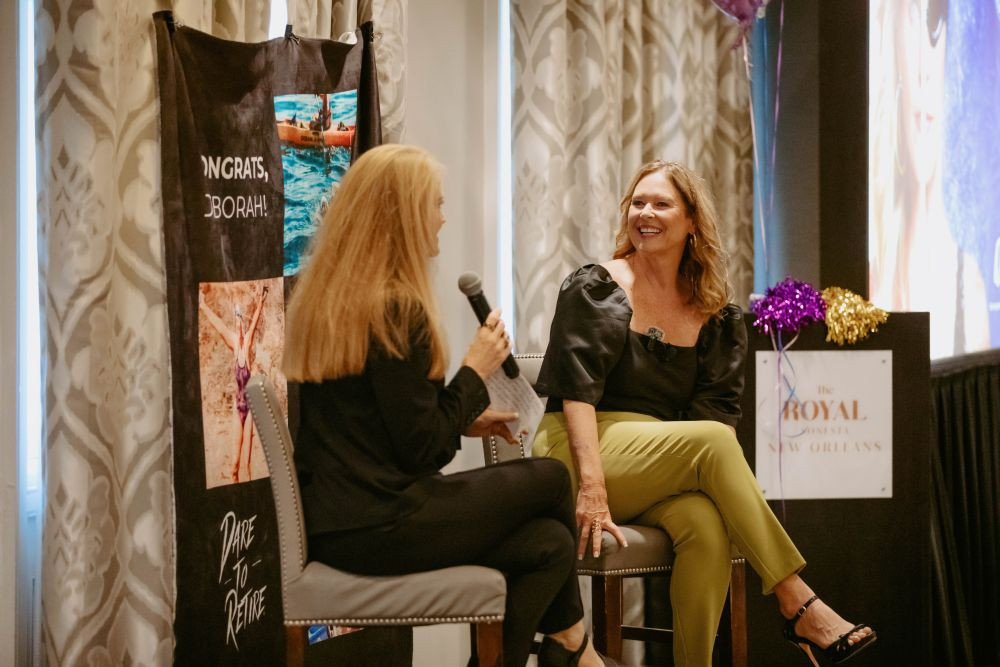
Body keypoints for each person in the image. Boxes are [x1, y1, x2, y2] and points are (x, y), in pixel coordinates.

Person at [532, 160, 877, 667]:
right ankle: (795, 599)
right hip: (576, 447)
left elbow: (712, 412)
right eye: (637, 202)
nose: (644, 212)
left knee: (706, 527)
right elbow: (575, 392)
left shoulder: (713, 312)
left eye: (661, 203)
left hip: (656, 461)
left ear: (692, 221)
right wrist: (592, 487)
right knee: (713, 443)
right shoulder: (599, 285)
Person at [282, 144, 615, 667]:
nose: (442, 217)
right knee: (551, 479)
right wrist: (475, 370)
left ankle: (567, 650)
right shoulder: (396, 306)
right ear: (405, 215)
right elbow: (423, 451)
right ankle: (578, 650)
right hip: (381, 523)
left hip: (339, 524)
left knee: (549, 545)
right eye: (435, 204)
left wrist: (465, 416)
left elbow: (375, 422)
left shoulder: (336, 297)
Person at [200, 283, 269, 483]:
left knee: (247, 467)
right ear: (234, 321)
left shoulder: (246, 344)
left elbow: (254, 322)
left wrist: (261, 302)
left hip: (251, 410)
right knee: (234, 467)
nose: (239, 321)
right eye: (236, 317)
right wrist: (203, 306)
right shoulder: (232, 342)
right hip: (237, 410)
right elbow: (218, 325)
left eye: (241, 317)